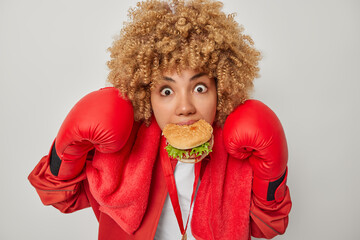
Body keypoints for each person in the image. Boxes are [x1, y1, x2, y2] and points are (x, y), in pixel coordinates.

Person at [28, 0, 292, 239]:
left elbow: (266, 227)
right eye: (166, 91)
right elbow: (61, 198)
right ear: (147, 94)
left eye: (199, 88)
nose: (185, 107)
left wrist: (272, 176)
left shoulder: (241, 147)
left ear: (220, 89)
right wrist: (68, 150)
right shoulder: (125, 145)